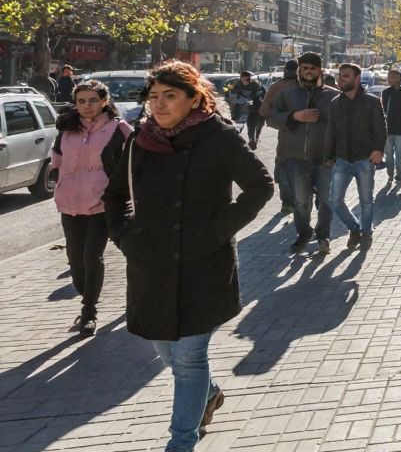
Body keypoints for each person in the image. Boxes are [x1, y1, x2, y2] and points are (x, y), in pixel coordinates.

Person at [102, 61, 273, 452]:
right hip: (152, 263)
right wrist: (125, 237)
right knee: (168, 352)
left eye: (170, 96)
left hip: (203, 263)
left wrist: (215, 231)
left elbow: (260, 187)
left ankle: (181, 441)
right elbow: (113, 196)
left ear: (194, 98)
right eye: (154, 96)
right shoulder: (139, 139)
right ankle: (209, 394)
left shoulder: (220, 137)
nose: (158, 105)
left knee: (190, 357)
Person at [50, 79, 132, 336]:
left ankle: (88, 314)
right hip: (69, 205)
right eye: (82, 101)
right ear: (75, 103)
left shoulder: (119, 129)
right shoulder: (66, 130)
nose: (87, 106)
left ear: (104, 102)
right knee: (75, 263)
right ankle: (88, 295)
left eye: (93, 100)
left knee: (91, 256)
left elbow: (133, 163)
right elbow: (56, 162)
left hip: (102, 204)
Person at [267, 53, 340, 255]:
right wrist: (295, 116)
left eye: (312, 68)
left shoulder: (333, 96)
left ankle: (323, 235)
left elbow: (344, 126)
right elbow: (270, 118)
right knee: (301, 201)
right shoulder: (287, 94)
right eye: (305, 68)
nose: (308, 71)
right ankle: (304, 233)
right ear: (299, 70)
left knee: (326, 200)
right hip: (295, 157)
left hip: (325, 158)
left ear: (320, 71)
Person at [325, 63, 386, 250]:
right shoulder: (335, 103)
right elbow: (331, 132)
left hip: (364, 160)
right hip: (342, 159)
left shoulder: (372, 101)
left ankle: (366, 233)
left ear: (357, 78)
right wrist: (329, 156)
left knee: (366, 201)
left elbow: (380, 129)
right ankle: (354, 228)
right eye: (339, 76)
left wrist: (378, 150)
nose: (340, 79)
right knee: (335, 201)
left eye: (345, 76)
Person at [261, 60, 300, 215]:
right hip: (307, 135)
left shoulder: (276, 87)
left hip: (286, 133)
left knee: (284, 167)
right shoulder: (306, 87)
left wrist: (279, 116)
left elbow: (263, 111)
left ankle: (287, 202)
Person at [226, 71, 266, 148]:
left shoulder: (255, 84)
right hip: (239, 108)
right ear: (241, 78)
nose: (247, 81)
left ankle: (252, 140)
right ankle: (234, 140)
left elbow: (261, 92)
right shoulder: (234, 83)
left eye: (248, 79)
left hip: (252, 108)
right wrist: (229, 96)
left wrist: (257, 100)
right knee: (238, 125)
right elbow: (226, 89)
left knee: (252, 124)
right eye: (245, 79)